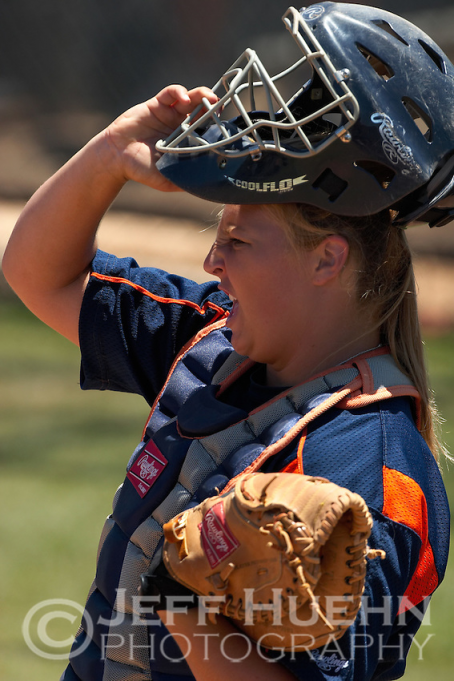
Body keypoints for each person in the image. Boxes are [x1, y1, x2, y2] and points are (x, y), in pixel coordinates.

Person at [2, 3, 452, 680]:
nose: (213, 264)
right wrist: (108, 158)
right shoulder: (214, 340)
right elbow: (40, 273)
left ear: (327, 260)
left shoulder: (373, 464)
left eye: (237, 241)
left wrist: (187, 601)